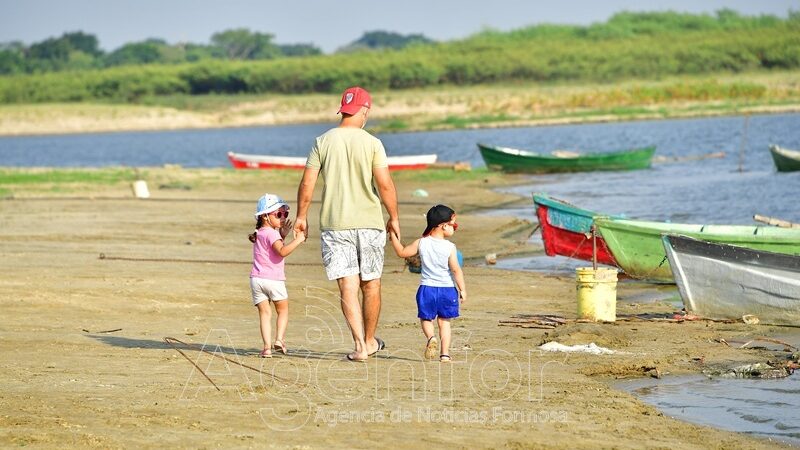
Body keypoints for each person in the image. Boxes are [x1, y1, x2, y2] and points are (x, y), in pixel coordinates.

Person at [294, 86, 400, 362]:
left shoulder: (322, 141)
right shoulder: (373, 143)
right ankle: (370, 340)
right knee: (371, 284)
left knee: (348, 286)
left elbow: (307, 184)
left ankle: (360, 345)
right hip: (370, 223)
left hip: (335, 224)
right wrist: (394, 217)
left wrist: (301, 216)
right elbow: (385, 185)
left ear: (343, 110)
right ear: (365, 111)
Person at [388, 204, 466, 362]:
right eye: (454, 225)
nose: (455, 228)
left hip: (427, 289)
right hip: (447, 290)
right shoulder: (450, 247)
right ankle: (445, 354)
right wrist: (462, 289)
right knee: (444, 322)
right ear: (444, 226)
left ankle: (431, 337)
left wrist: (392, 235)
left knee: (426, 319)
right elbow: (456, 270)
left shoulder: (422, 243)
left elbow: (402, 252)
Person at [249, 193, 306, 358]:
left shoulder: (260, 232)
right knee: (283, 311)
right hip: (274, 280)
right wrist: (298, 240)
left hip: (256, 279)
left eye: (285, 214)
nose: (283, 217)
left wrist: (283, 235)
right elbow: (281, 251)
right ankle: (279, 340)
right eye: (278, 214)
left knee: (264, 314)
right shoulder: (272, 234)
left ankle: (267, 348)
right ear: (265, 216)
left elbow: (270, 250)